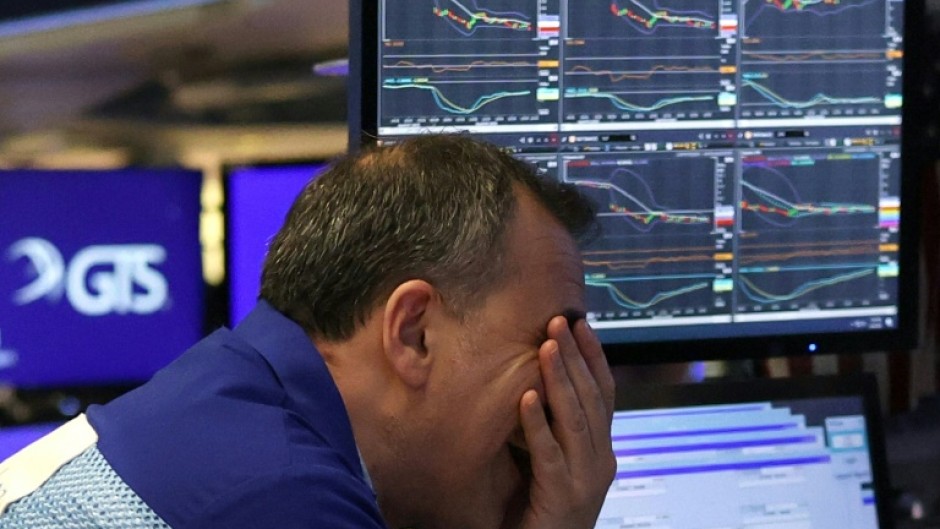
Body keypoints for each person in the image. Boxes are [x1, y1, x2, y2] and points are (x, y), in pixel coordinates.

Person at [0, 135, 617, 529]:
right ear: (413, 334)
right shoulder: (281, 497)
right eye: (550, 345)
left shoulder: (232, 399)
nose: (576, 400)